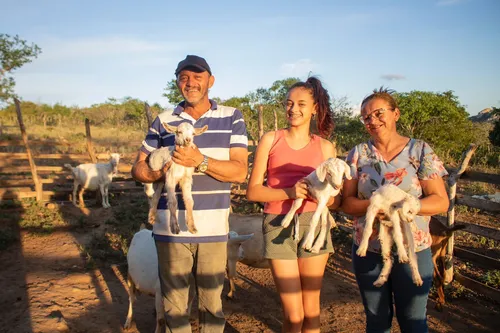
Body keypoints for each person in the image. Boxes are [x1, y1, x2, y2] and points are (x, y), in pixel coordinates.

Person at [131, 55, 248, 333]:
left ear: (211, 80)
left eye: (197, 77)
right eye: (184, 77)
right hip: (170, 233)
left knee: (212, 307)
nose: (190, 83)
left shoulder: (231, 117)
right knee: (174, 307)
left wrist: (200, 161)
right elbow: (138, 168)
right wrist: (159, 171)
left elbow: (239, 171)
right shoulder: (163, 121)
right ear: (177, 83)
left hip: (214, 230)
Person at [341, 87, 449, 333]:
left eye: (379, 113)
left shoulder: (420, 151)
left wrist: (412, 205)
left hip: (414, 247)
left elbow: (441, 201)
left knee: (413, 319)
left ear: (395, 114)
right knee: (377, 319)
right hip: (368, 247)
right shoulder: (358, 154)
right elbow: (347, 203)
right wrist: (376, 207)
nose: (373, 121)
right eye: (366, 117)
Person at [246, 77, 340, 333]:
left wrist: (324, 195)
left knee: (311, 311)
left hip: (314, 225)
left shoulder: (325, 147)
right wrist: (289, 192)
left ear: (315, 108)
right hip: (278, 224)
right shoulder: (270, 139)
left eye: (301, 104)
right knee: (293, 314)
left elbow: (335, 198)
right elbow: (253, 192)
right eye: (289, 103)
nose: (293, 109)